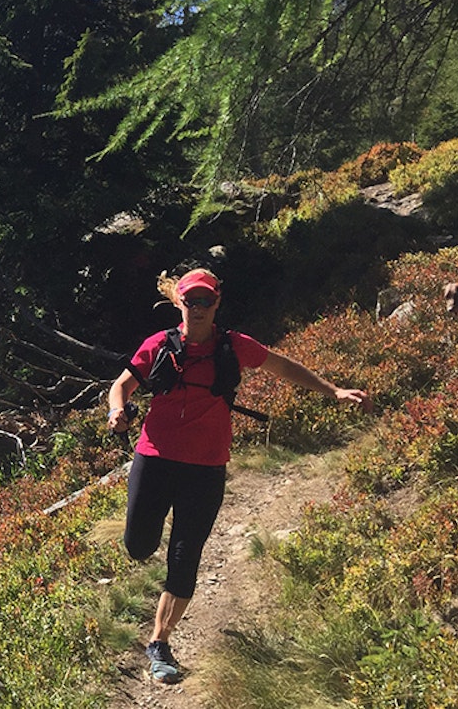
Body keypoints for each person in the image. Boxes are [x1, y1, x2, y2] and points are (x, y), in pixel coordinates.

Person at [105, 268, 370, 685]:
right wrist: (116, 412)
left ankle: (159, 642)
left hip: (207, 467)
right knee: (138, 546)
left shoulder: (234, 346)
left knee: (185, 557)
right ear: (179, 303)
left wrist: (333, 390)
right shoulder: (159, 345)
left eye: (205, 300)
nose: (198, 308)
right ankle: (152, 590)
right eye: (191, 301)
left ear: (217, 303)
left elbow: (285, 368)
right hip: (154, 458)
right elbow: (121, 386)